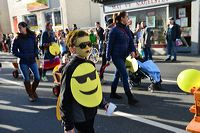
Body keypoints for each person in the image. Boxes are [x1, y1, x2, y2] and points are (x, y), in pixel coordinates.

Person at [59, 30, 108, 133]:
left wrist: (103, 103)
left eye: (89, 44)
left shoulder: (90, 64)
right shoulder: (70, 69)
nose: (87, 48)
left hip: (91, 111)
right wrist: (68, 125)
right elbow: (65, 98)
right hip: (80, 115)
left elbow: (95, 86)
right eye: (82, 45)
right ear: (72, 49)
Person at [106, 11, 138, 105]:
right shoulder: (114, 30)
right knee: (124, 75)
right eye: (126, 17)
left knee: (117, 75)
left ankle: (112, 93)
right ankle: (130, 97)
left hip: (124, 55)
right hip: (116, 56)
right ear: (122, 19)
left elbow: (131, 41)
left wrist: (133, 51)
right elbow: (109, 45)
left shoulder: (126, 29)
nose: (128, 18)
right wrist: (108, 57)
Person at [11, 22, 40, 102]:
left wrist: (36, 53)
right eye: (18, 28)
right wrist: (23, 56)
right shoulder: (17, 38)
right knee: (26, 79)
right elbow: (13, 51)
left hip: (32, 60)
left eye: (20, 27)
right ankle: (30, 95)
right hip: (23, 62)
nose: (19, 29)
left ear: (25, 27)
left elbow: (35, 46)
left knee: (37, 77)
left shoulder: (32, 36)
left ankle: (32, 91)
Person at [99, 18, 114, 83]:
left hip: (105, 49)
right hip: (106, 50)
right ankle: (100, 78)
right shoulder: (108, 31)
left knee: (104, 64)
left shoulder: (107, 30)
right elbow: (108, 42)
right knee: (104, 64)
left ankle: (100, 77)